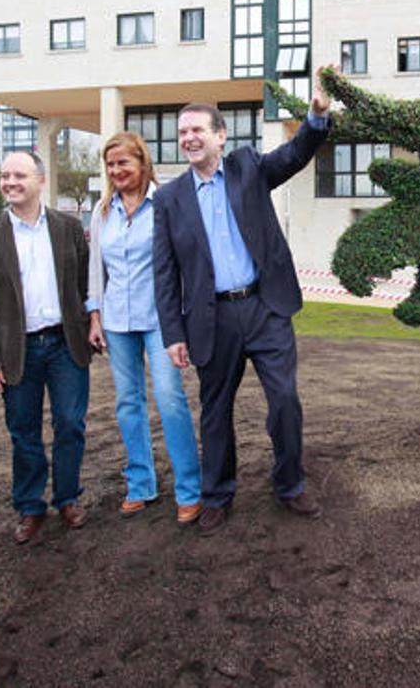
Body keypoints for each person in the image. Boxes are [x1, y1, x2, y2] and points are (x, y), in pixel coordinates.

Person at [153, 71, 332, 536]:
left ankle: (290, 484)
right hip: (211, 320)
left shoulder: (248, 167)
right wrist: (173, 333)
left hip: (265, 307)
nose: (189, 138)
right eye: (183, 132)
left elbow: (294, 155)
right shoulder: (169, 199)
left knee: (285, 401)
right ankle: (217, 495)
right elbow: (165, 273)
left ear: (220, 136)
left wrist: (314, 117)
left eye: (198, 130)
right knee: (215, 411)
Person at [0, 151, 93, 544]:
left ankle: (68, 497)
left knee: (70, 424)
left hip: (64, 343)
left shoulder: (69, 228)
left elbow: (86, 284)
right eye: (5, 176)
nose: (10, 182)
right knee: (23, 431)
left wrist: (94, 323)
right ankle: (30, 506)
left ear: (40, 180)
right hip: (16, 350)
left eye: (19, 175)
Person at [87, 132, 202, 524]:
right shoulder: (102, 212)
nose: (117, 171)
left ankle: (189, 489)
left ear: (142, 163)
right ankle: (140, 484)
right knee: (127, 403)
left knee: (170, 399)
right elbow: (95, 271)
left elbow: (183, 264)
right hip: (117, 320)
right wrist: (95, 316)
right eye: (111, 165)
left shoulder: (166, 204)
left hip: (160, 320)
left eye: (124, 163)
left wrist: (184, 321)